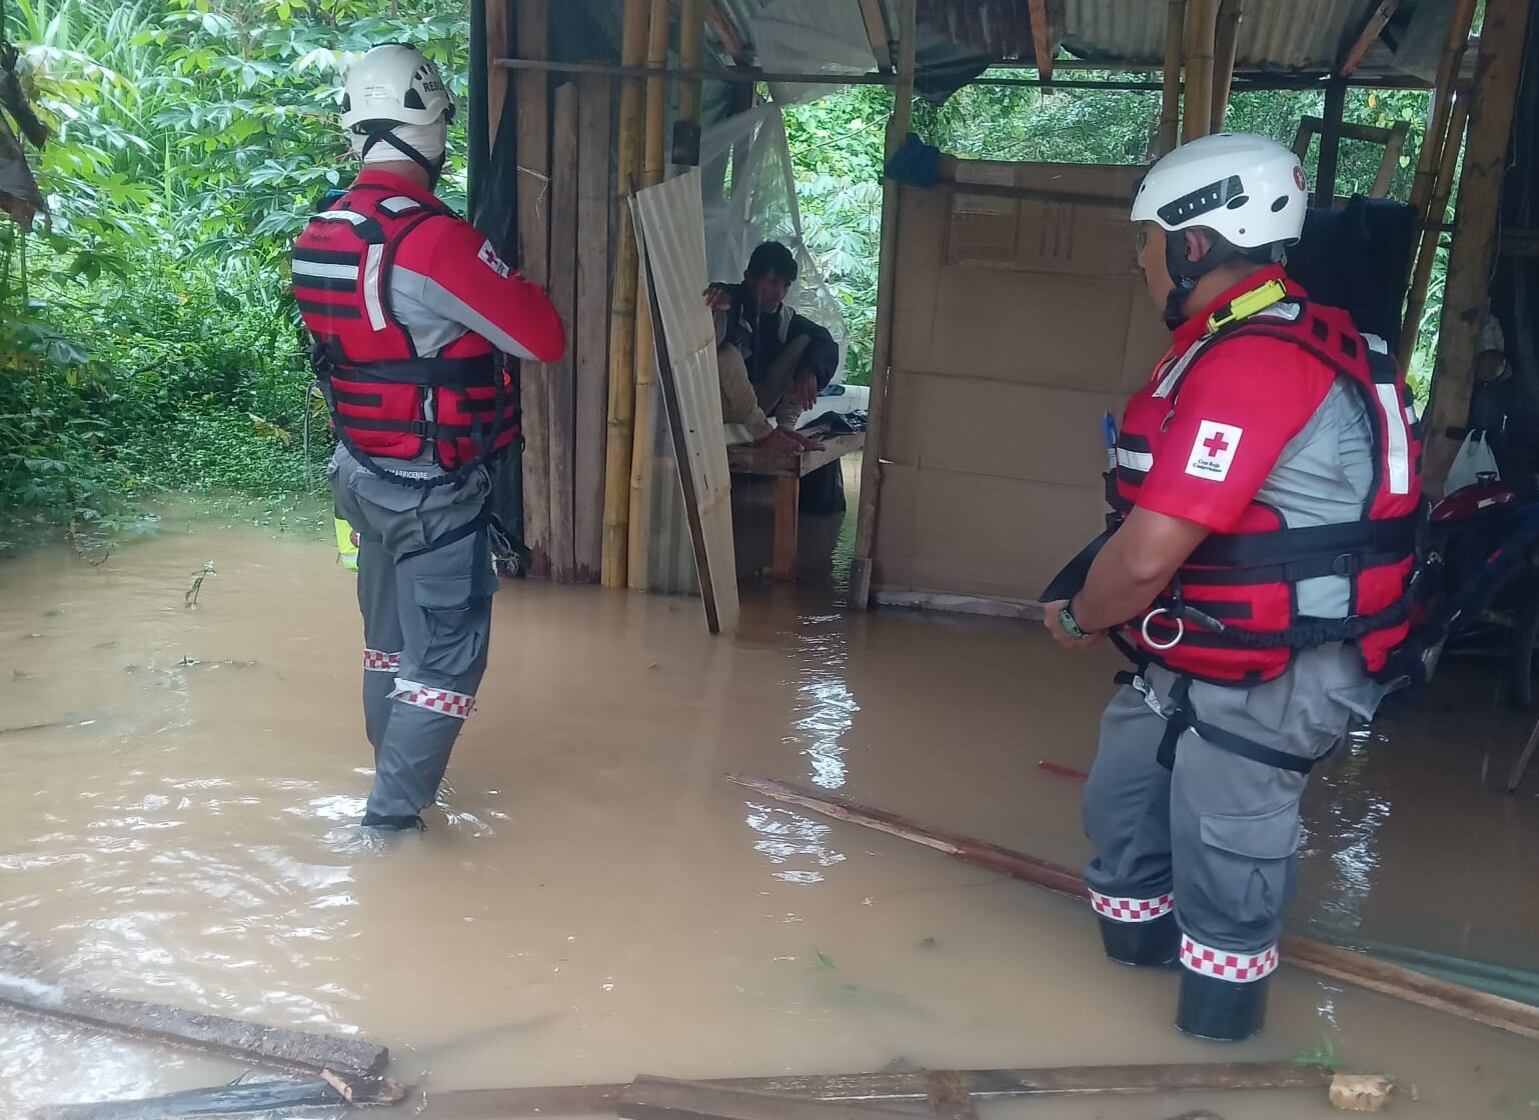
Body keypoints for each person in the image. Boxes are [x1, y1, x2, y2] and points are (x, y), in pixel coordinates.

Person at [1041, 133, 1422, 1041]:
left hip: (1277, 662)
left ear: (1193, 244)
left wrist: (1079, 616)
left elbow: (1141, 559)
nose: (1137, 259)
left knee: (1228, 853)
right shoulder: (1227, 344)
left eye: (1146, 240)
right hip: (1199, 643)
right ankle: (1125, 991)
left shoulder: (1257, 360)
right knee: (1125, 804)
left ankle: (1212, 1040)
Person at [292, 43, 564, 832]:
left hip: (358, 475)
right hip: (429, 491)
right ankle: (389, 827)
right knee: (445, 658)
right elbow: (543, 337)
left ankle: (392, 786)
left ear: (356, 133)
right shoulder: (436, 241)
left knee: (388, 644)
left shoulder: (323, 231)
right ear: (433, 129)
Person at [706, 241, 838, 452]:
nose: (779, 292)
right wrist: (715, 306)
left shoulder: (782, 317)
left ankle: (785, 428)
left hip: (757, 403)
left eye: (785, 285)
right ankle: (764, 433)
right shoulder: (724, 299)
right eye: (773, 282)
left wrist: (810, 368)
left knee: (806, 342)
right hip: (715, 403)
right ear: (750, 278)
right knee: (726, 353)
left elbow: (824, 340)